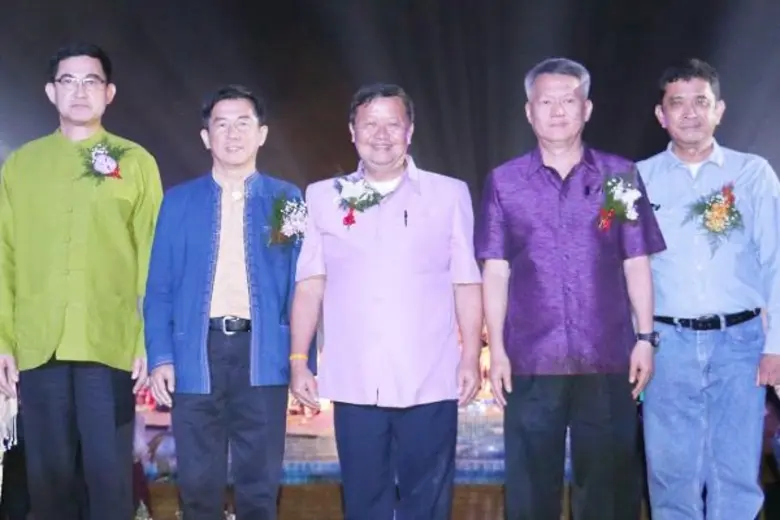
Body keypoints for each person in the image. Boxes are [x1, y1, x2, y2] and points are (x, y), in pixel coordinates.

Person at [475, 57, 666, 520]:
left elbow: (635, 261)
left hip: (608, 356)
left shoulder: (619, 177)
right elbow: (496, 270)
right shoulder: (505, 181)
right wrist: (496, 349)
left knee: (608, 490)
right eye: (547, 102)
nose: (558, 111)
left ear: (587, 108)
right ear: (529, 111)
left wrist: (645, 338)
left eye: (568, 100)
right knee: (529, 489)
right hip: (531, 358)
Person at [289, 82, 483, 520]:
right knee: (364, 503)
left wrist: (471, 355)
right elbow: (310, 284)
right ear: (352, 131)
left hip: (429, 380)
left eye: (392, 124)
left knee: (427, 504)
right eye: (369, 124)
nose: (381, 135)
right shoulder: (322, 197)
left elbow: (466, 282)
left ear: (409, 131)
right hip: (355, 381)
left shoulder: (448, 194)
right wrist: (299, 360)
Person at [0, 42, 161, 520]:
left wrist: (147, 339)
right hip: (38, 346)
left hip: (109, 345)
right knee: (48, 485)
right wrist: (3, 340)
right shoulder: (21, 165)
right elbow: (4, 254)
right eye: (67, 81)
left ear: (109, 93)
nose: (79, 91)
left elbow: (154, 257)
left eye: (91, 81)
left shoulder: (135, 162)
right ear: (51, 92)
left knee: (109, 485)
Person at [145, 84, 313, 520]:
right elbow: (159, 287)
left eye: (243, 123)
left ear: (262, 134)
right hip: (196, 355)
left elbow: (302, 284)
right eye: (222, 125)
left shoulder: (286, 200)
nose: (233, 134)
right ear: (206, 137)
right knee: (198, 486)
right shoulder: (179, 201)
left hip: (263, 354)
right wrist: (161, 356)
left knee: (260, 487)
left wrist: (302, 360)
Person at [638, 58, 780, 519]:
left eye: (701, 101)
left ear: (719, 109)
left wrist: (776, 346)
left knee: (735, 472)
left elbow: (777, 260)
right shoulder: (630, 181)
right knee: (669, 473)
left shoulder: (753, 173)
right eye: (677, 103)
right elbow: (604, 259)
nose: (690, 112)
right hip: (665, 345)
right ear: (661, 114)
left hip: (741, 344)